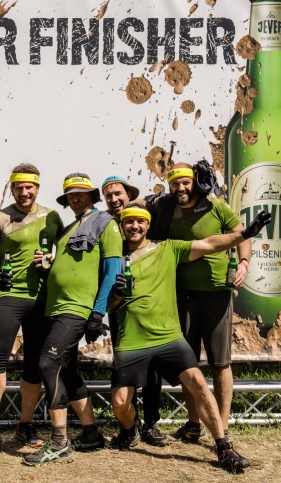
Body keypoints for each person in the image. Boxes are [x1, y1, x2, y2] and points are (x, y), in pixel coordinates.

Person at [109, 203, 269, 473]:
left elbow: (209, 244)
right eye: (129, 222)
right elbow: (108, 305)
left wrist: (244, 234)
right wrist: (116, 294)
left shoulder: (168, 248)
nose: (134, 226)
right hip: (131, 340)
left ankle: (223, 446)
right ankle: (130, 430)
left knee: (197, 381)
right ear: (122, 226)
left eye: (140, 221)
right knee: (120, 403)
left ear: (148, 225)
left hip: (168, 336)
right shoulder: (114, 259)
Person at [22, 173, 123, 466]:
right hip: (54, 308)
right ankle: (91, 433)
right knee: (66, 371)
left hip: (76, 308)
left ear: (91, 195)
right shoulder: (68, 229)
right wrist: (48, 265)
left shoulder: (105, 223)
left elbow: (112, 272)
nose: (75, 198)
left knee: (48, 363)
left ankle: (59, 442)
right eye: (70, 195)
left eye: (80, 193)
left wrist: (97, 313)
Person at [145, 162, 251, 442]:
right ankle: (193, 424)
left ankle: (222, 428)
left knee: (220, 363)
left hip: (216, 292)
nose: (180, 188)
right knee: (187, 363)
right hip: (179, 294)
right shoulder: (165, 207)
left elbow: (241, 234)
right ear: (169, 186)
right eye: (175, 184)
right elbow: (136, 208)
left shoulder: (215, 205)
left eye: (185, 182)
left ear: (194, 183)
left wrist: (243, 262)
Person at [0, 163, 64, 457]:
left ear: (37, 187)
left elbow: (65, 252)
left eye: (29, 187)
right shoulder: (0, 218)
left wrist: (53, 259)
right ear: (11, 188)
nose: (24, 192)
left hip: (42, 300)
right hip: (10, 297)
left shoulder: (52, 217)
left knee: (34, 366)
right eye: (19, 187)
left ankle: (25, 424)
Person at [102, 176, 172, 447]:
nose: (114, 199)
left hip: (150, 306)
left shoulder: (144, 214)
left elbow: (163, 200)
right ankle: (130, 424)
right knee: (124, 365)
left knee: (153, 367)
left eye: (118, 194)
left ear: (129, 195)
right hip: (118, 305)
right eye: (109, 196)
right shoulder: (104, 224)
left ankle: (151, 423)